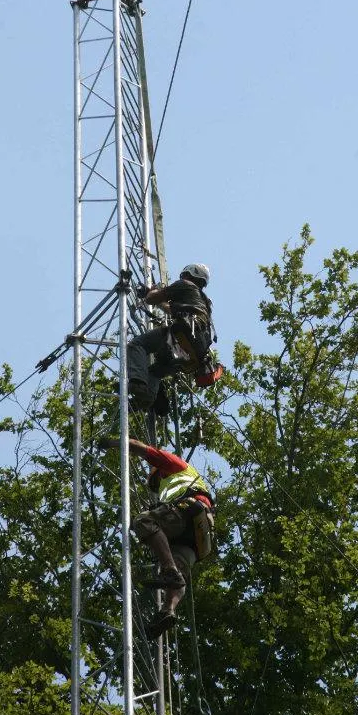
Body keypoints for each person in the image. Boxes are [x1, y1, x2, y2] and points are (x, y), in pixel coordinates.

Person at [102, 436, 215, 640]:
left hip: (190, 510)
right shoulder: (170, 486)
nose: (156, 484)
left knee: (144, 521)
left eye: (155, 480)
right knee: (180, 572)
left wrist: (111, 443)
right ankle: (168, 610)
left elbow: (140, 448)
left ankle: (169, 570)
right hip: (200, 533)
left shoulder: (174, 465)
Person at [127, 263, 214, 410]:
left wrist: (151, 292)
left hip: (183, 334)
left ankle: (138, 383)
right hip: (193, 354)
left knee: (137, 345)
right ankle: (145, 399)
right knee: (155, 371)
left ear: (189, 274)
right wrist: (152, 294)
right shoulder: (202, 301)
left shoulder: (185, 284)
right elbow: (167, 308)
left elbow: (151, 300)